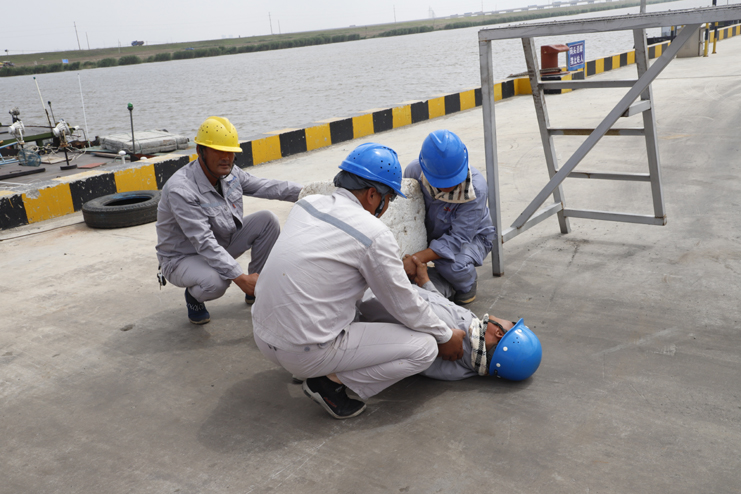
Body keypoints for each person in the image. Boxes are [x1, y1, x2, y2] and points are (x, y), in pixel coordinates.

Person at [251, 142, 466, 420]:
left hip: (263, 336)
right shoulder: (372, 233)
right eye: (389, 199)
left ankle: (311, 367)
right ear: (373, 195)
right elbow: (403, 303)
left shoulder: (306, 204)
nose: (387, 207)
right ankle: (328, 383)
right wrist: (446, 335)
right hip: (303, 352)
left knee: (346, 293)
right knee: (424, 348)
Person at [156, 116, 302, 325]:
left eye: (230, 152)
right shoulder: (181, 189)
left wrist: (310, 192)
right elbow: (203, 242)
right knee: (216, 282)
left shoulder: (230, 173)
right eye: (219, 151)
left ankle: (256, 287)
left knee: (267, 221)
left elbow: (267, 186)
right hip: (182, 258)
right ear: (200, 151)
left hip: (220, 242)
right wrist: (240, 278)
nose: (226, 157)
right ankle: (194, 296)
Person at [358, 256, 542, 382]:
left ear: (499, 332)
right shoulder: (471, 347)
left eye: (512, 324)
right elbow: (445, 306)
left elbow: (374, 302)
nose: (509, 320)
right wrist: (425, 282)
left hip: (368, 298)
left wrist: (377, 279)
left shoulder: (451, 335)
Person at [402, 129, 496, 305]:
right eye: (440, 182)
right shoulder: (414, 172)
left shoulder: (476, 188)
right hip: (432, 234)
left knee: (452, 265)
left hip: (471, 237)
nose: (447, 188)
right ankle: (440, 280)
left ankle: (466, 283)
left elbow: (459, 237)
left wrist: (417, 258)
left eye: (452, 181)